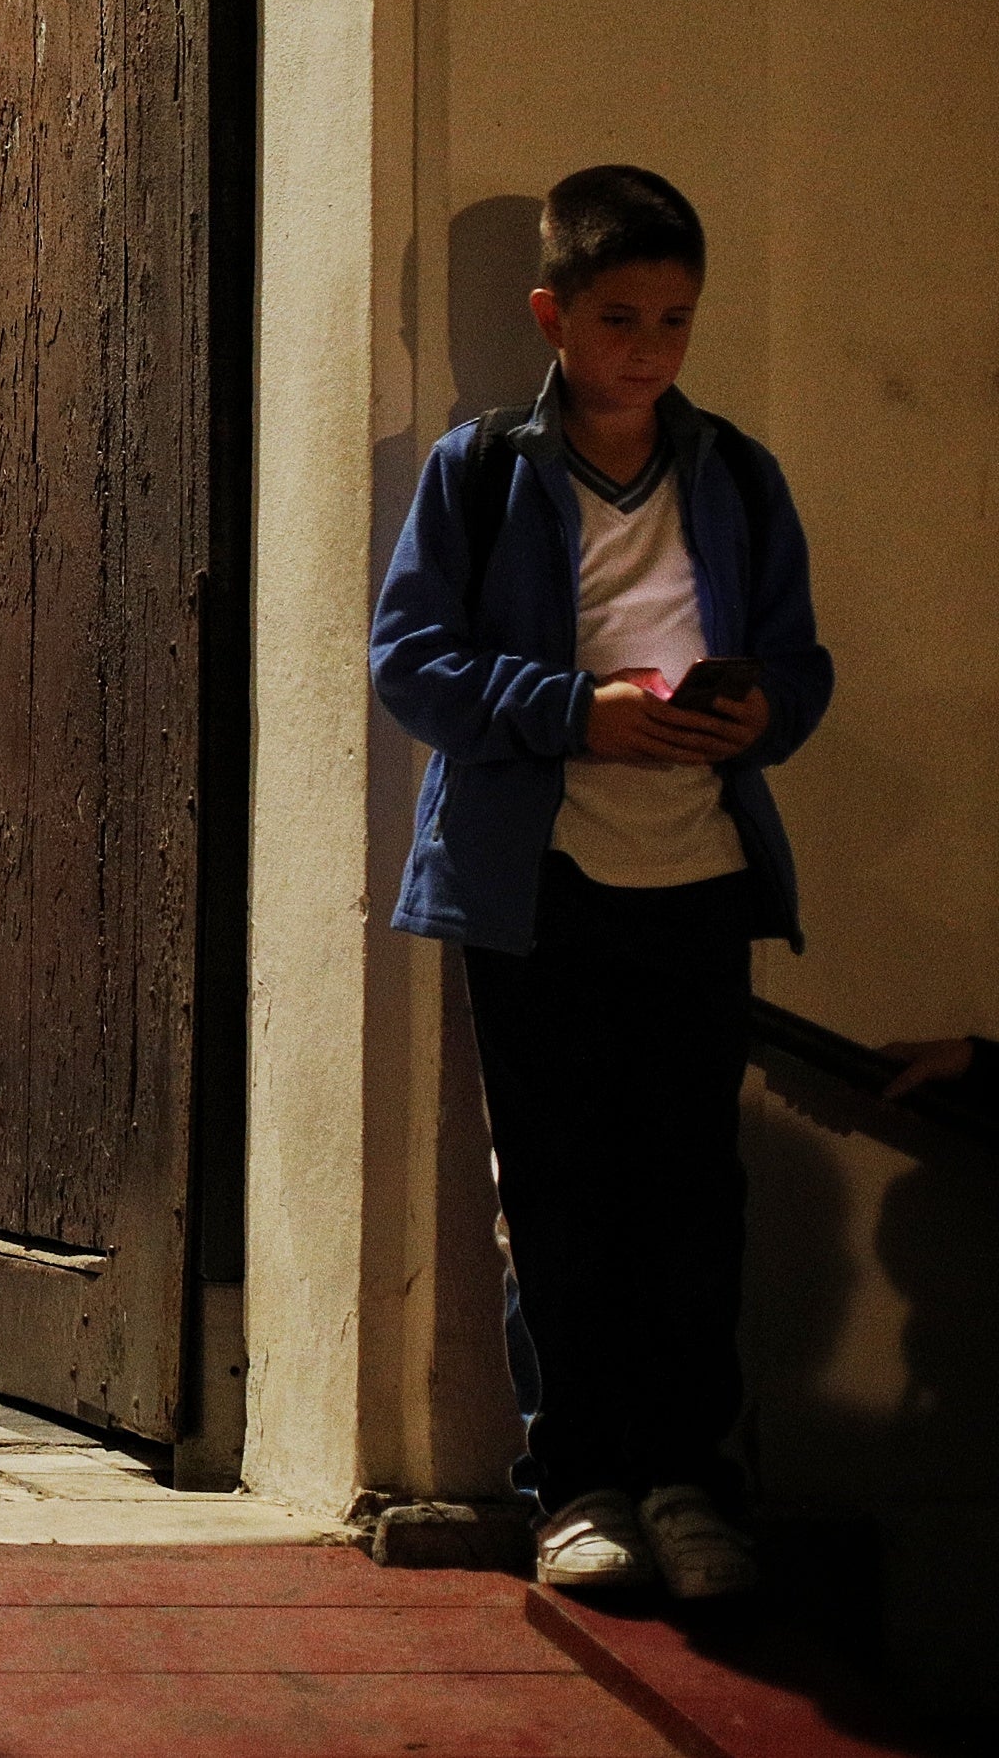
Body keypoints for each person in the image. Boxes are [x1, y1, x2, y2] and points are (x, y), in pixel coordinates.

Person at [371, 165, 833, 1601]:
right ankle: (575, 1485)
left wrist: (758, 715)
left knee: (691, 1195)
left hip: (698, 876)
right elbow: (411, 664)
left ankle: (690, 1482)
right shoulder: (480, 471)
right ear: (551, 317)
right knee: (556, 1194)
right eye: (619, 318)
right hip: (541, 884)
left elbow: (801, 663)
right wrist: (581, 712)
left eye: (675, 320)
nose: (647, 348)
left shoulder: (735, 472)